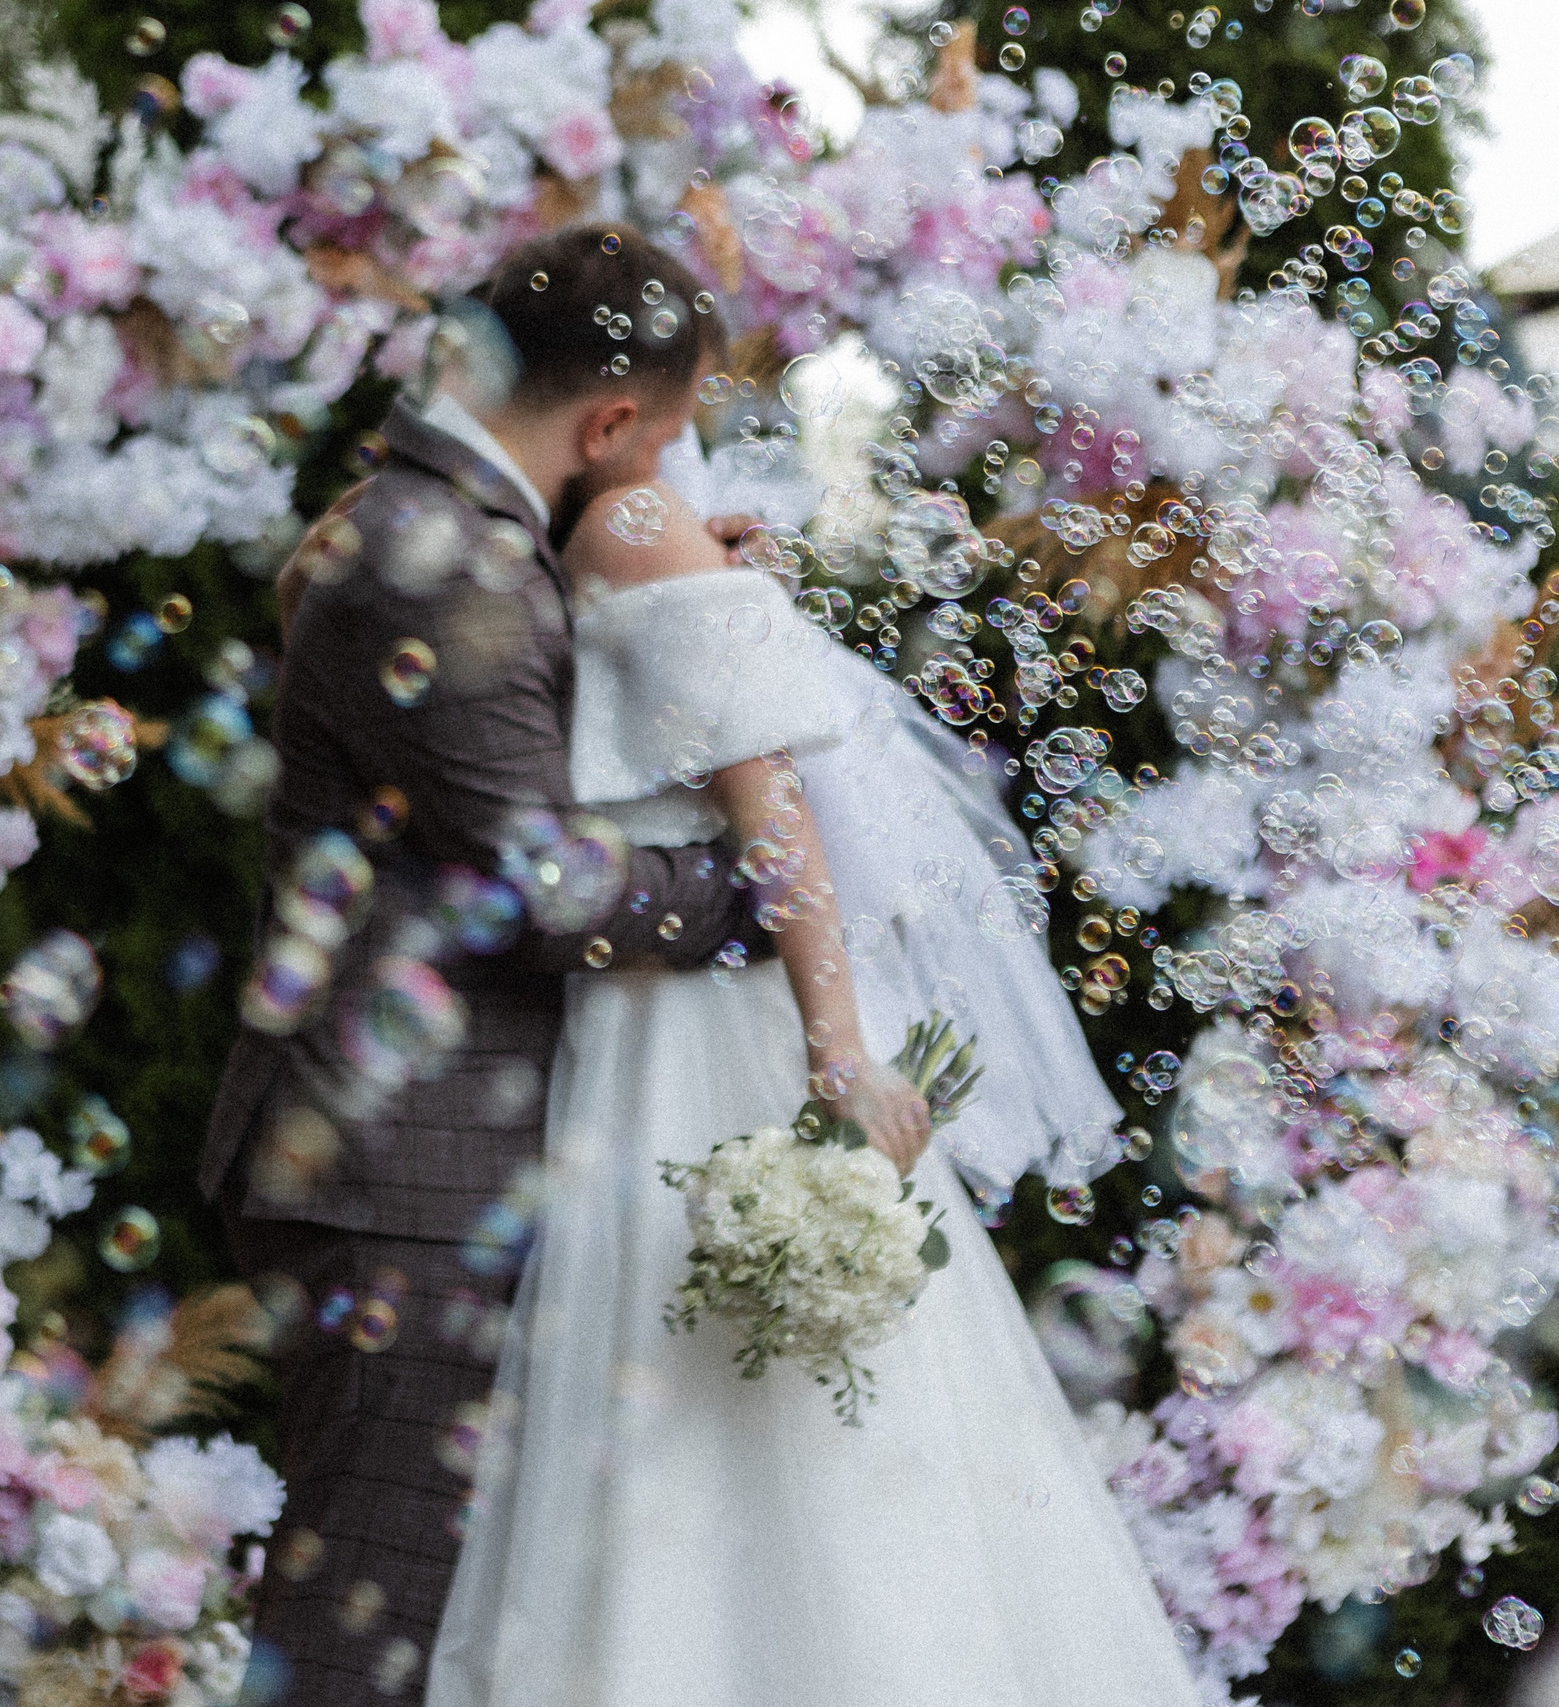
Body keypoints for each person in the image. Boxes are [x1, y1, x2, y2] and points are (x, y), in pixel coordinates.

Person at [421, 473, 1205, 1705]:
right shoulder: (631, 525)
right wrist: (836, 1046)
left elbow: (770, 803)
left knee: (706, 1372)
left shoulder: (618, 527)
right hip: (677, 996)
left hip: (690, 1010)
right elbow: (765, 796)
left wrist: (834, 1053)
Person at [198, 223, 824, 1705]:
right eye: (664, 444)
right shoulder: (441, 559)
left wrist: (655, 605)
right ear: (608, 422)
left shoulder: (445, 527)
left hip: (402, 1167)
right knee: (359, 1639)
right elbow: (541, 887)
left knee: (397, 1622)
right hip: (394, 1182)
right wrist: (753, 885)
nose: (661, 478)